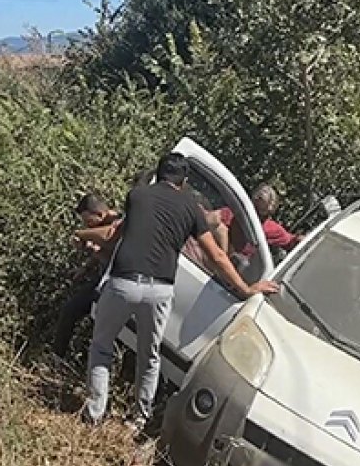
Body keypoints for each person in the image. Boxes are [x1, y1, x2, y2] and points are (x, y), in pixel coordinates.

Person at [79, 153, 278, 430]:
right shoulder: (191, 209)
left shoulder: (137, 196)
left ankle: (94, 413)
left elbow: (114, 235)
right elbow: (218, 257)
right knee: (149, 357)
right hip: (158, 290)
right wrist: (246, 289)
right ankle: (138, 419)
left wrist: (82, 235)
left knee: (101, 346)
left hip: (122, 283)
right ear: (183, 181)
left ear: (159, 174)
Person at [51, 193, 120, 358]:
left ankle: (60, 357)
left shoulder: (118, 226)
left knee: (73, 310)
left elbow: (111, 256)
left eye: (89, 222)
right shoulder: (104, 224)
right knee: (71, 309)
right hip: (103, 278)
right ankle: (58, 356)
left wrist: (85, 240)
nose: (88, 227)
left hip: (114, 282)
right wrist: (84, 268)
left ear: (101, 215)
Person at [219, 183, 301, 259]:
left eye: (264, 215)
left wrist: (300, 240)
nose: (257, 218)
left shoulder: (269, 228)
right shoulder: (229, 214)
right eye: (256, 210)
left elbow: (291, 241)